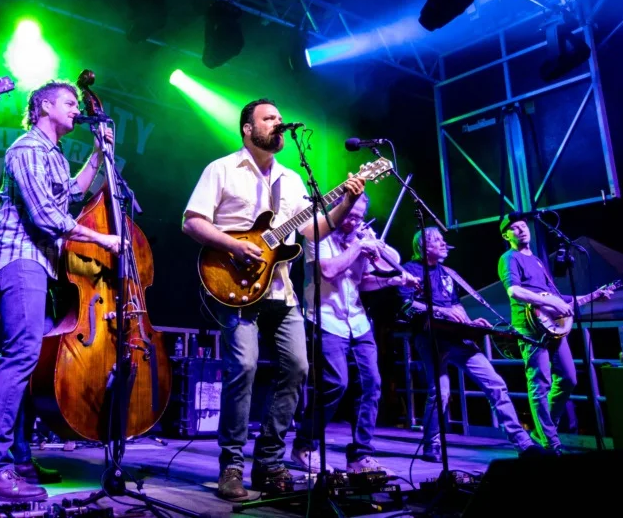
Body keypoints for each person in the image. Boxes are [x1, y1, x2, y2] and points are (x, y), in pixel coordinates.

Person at [182, 98, 365, 500]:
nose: (279, 123)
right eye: (270, 118)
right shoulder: (222, 168)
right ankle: (231, 462)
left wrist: (347, 200)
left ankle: (269, 459)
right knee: (243, 367)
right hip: (236, 283)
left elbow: (314, 230)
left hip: (282, 289)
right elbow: (191, 221)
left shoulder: (292, 179)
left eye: (281, 118)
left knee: (298, 367)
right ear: (248, 128)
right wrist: (234, 245)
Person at [0, 80, 122, 503]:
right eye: (69, 103)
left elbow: (71, 194)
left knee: (26, 361)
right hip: (20, 259)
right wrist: (106, 242)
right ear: (43, 106)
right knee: (21, 356)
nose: (77, 109)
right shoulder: (26, 148)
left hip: (38, 264)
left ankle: (18, 460)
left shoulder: (52, 155)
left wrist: (98, 155)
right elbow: (44, 215)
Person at [290, 193, 415, 475]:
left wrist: (393, 275)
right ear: (338, 208)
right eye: (349, 215)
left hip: (358, 321)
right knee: (335, 383)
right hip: (325, 318)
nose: (353, 221)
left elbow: (365, 282)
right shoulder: (317, 234)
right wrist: (359, 246)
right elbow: (331, 270)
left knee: (372, 383)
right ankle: (304, 444)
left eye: (359, 216)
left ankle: (361, 455)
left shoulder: (359, 237)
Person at [399, 226, 543, 461]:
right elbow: (407, 306)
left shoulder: (448, 272)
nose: (445, 245)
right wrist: (443, 312)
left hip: (458, 338)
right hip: (431, 338)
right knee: (441, 392)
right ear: (424, 246)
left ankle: (523, 443)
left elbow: (456, 304)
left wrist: (470, 321)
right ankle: (431, 445)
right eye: (439, 242)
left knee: (496, 384)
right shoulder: (410, 270)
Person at [498, 213, 577, 454]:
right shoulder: (508, 258)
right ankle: (551, 442)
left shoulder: (539, 261)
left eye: (523, 226)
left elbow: (554, 297)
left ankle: (543, 429)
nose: (522, 230)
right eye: (515, 228)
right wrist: (553, 303)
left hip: (552, 326)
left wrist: (590, 297)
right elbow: (514, 291)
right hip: (529, 326)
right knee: (540, 383)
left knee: (568, 379)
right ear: (506, 235)